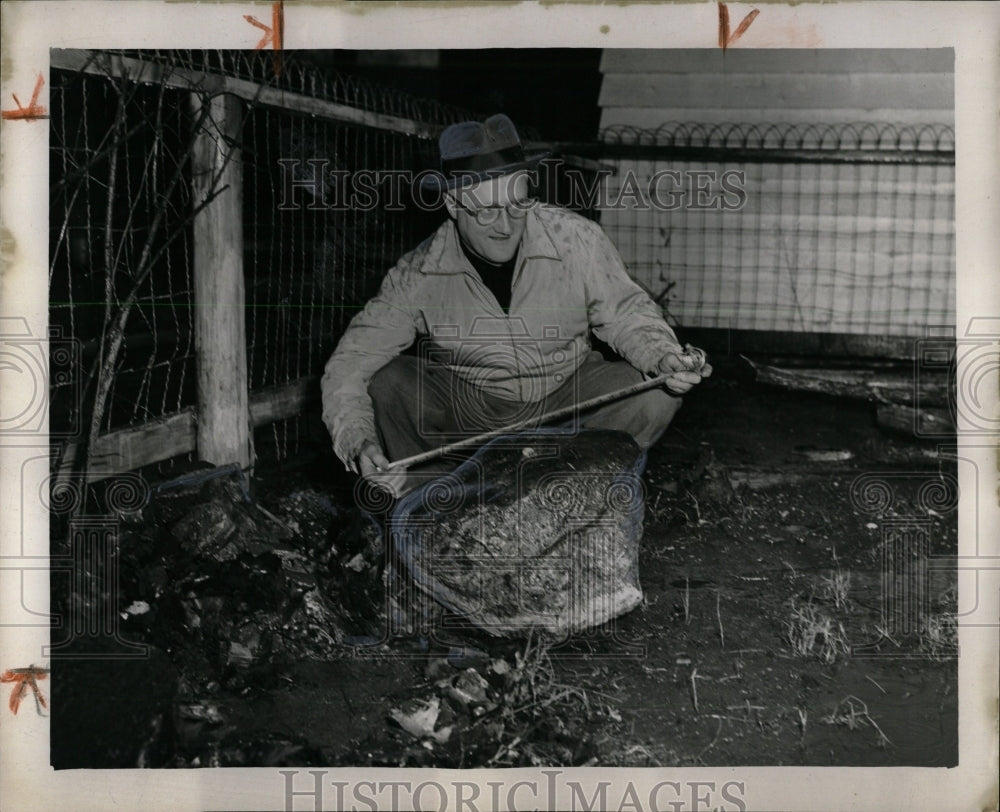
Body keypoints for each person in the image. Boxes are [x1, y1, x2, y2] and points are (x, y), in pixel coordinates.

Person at [321, 114, 711, 497]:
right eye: (486, 210)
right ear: (453, 206)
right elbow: (349, 365)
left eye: (517, 204)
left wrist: (663, 357)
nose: (505, 225)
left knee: (656, 394)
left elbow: (628, 313)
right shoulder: (417, 275)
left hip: (566, 398)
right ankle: (439, 501)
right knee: (390, 383)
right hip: (472, 415)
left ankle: (572, 491)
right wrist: (359, 442)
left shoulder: (575, 240)